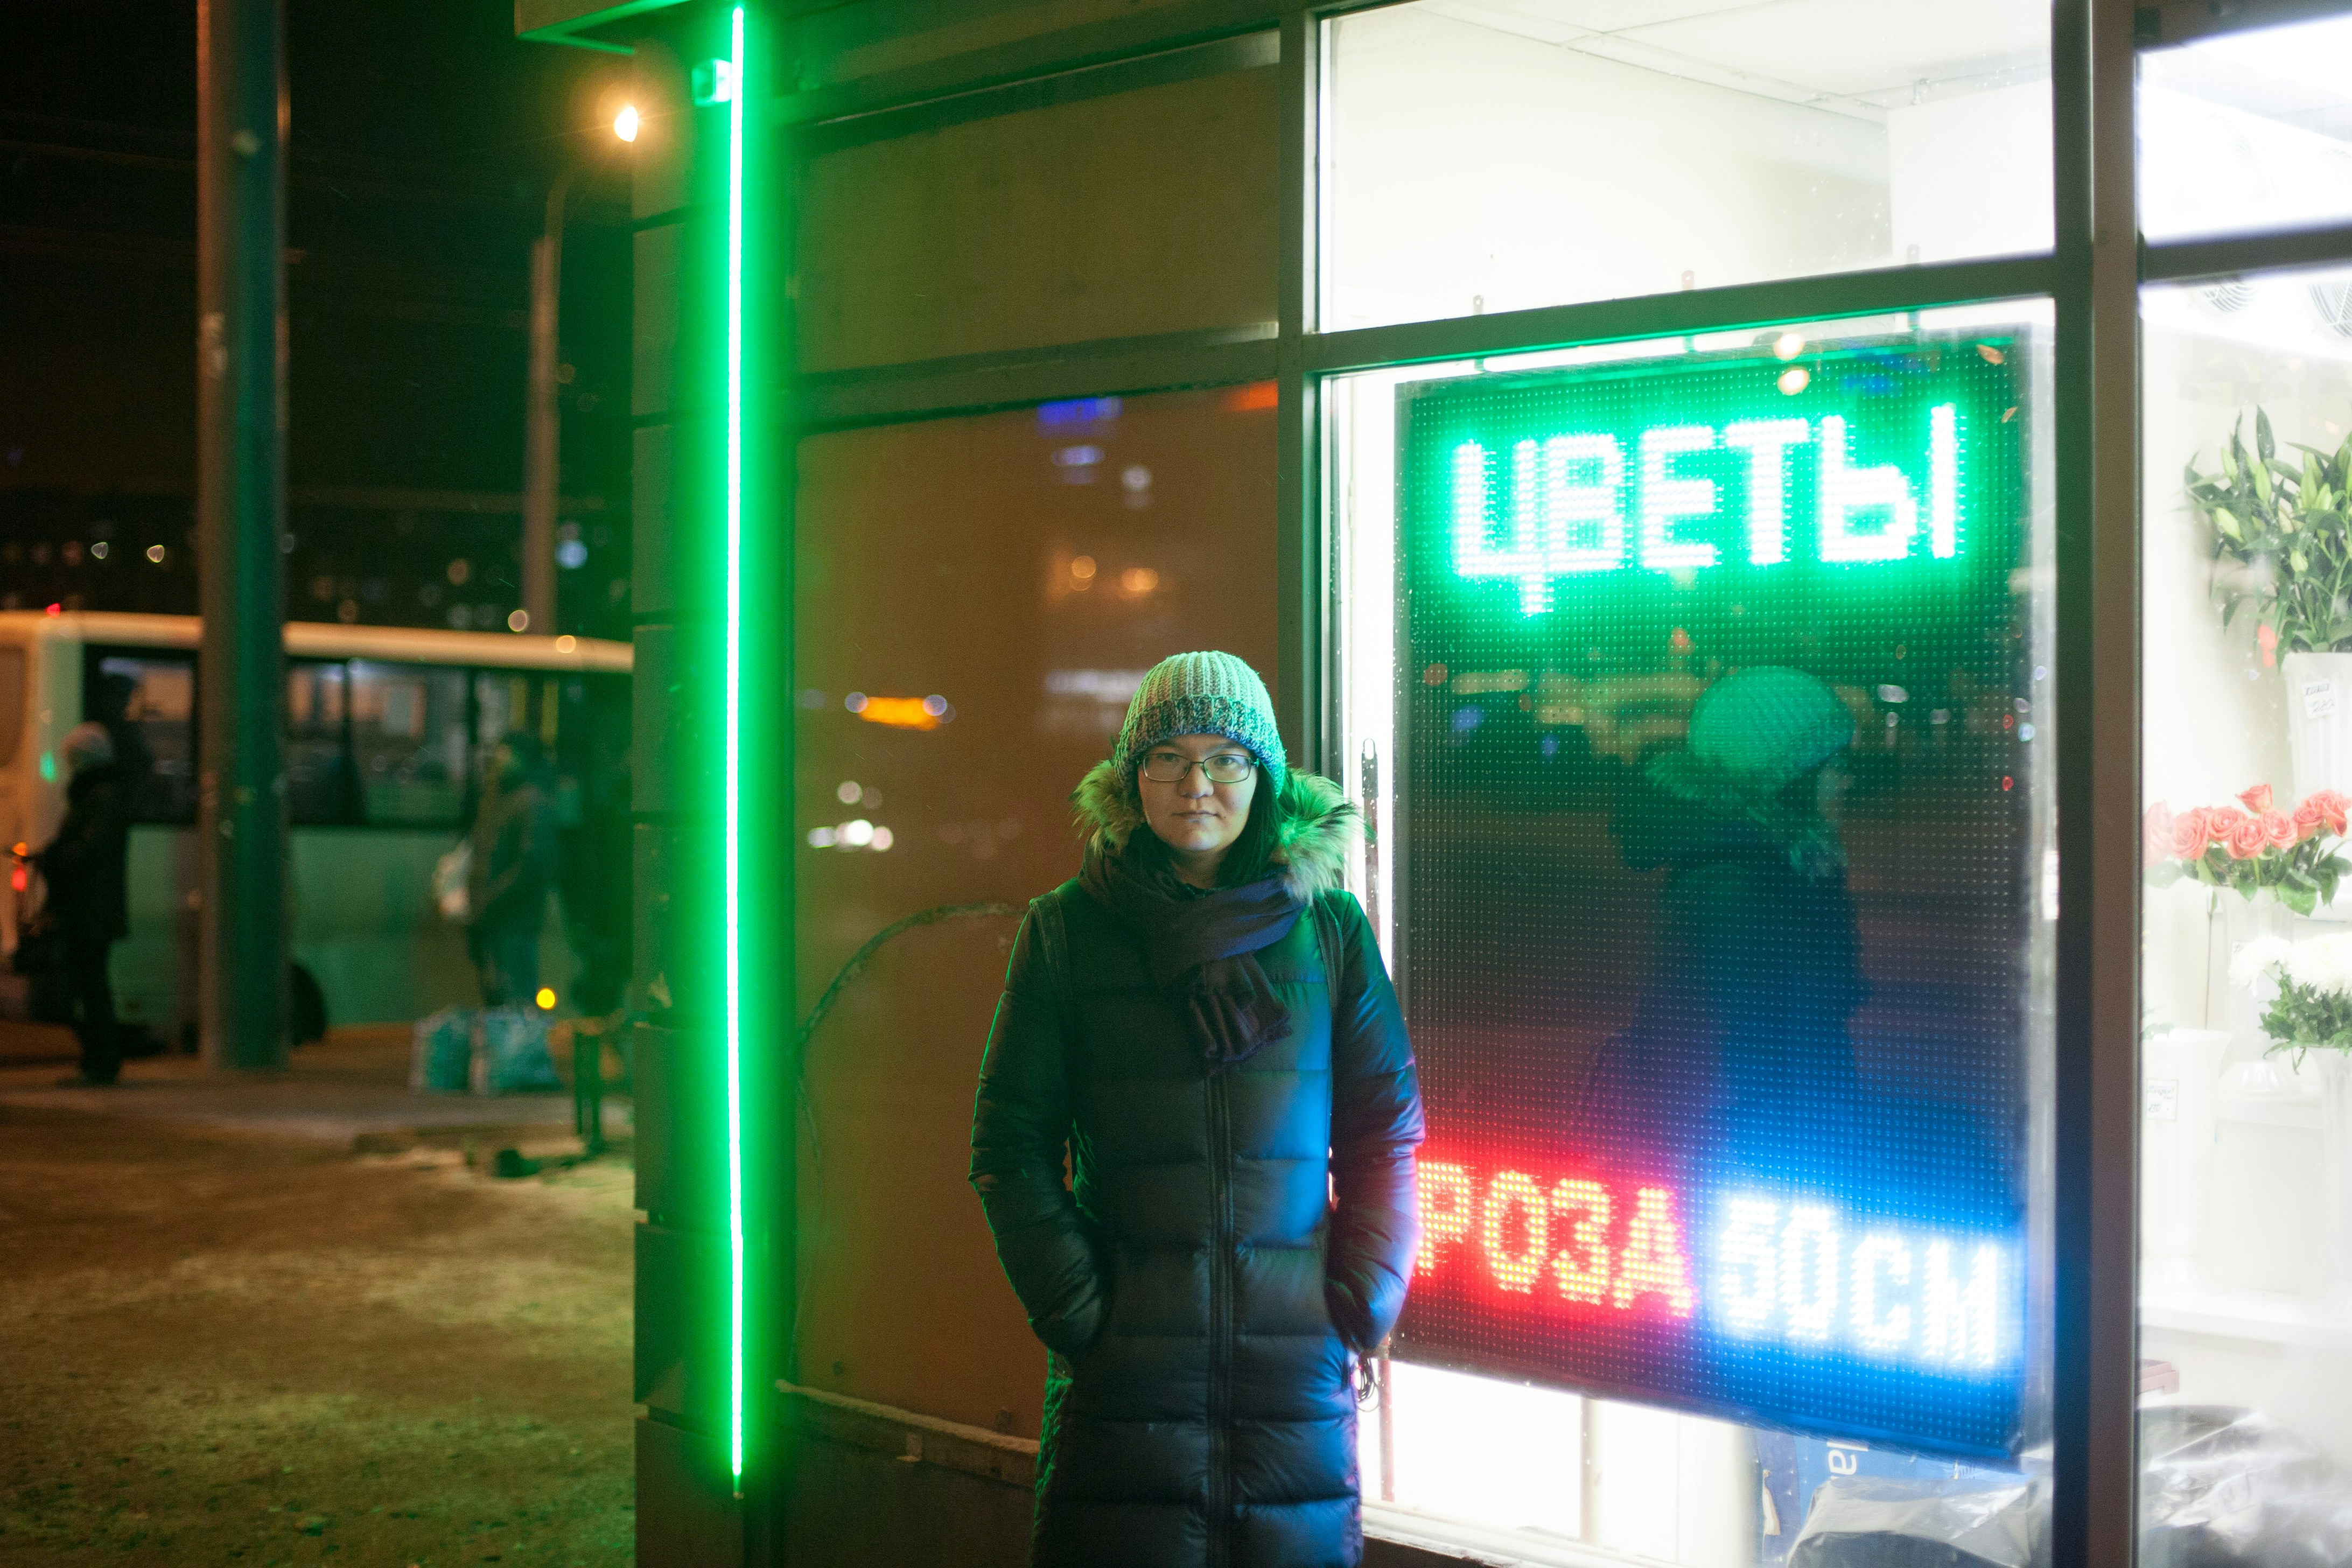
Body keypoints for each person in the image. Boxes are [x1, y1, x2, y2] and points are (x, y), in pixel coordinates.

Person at [970, 651, 1425, 1568]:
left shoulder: (1328, 931)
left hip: (1292, 1367)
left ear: (1263, 775)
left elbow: (1385, 1136)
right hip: (1123, 1372)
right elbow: (1009, 1147)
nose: (1196, 783)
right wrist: (1083, 1311)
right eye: (1167, 756)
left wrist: (1355, 1304)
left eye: (1226, 758)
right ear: (1128, 776)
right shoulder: (1066, 930)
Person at [1577, 666, 1868, 1189]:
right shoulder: (1734, 889)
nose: (1847, 779)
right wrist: (1799, 1180)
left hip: (1768, 1178)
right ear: (1790, 776)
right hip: (1758, 1189)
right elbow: (1728, 1071)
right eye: (1835, 764)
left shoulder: (1769, 871)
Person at [33, 722, 132, 1086]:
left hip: (88, 909)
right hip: (93, 909)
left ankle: (100, 1063)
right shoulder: (105, 794)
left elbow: (87, 852)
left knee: (89, 987)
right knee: (91, 985)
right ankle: (99, 1062)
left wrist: (52, 858)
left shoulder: (99, 797)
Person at [466, 729, 558, 1007]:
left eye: (506, 752)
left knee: (516, 998)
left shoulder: (530, 802)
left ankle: (517, 1050)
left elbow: (530, 867)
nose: (498, 758)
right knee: (497, 997)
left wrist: (489, 901)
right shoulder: (497, 798)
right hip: (492, 917)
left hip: (514, 920)